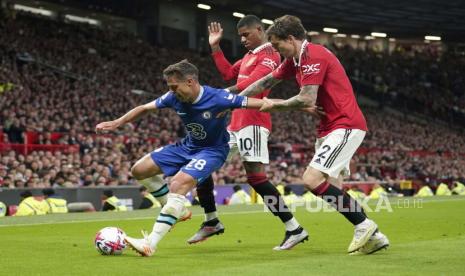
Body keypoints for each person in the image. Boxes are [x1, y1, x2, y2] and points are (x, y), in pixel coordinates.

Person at [238, 15, 389, 254]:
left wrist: (273, 105)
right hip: (329, 128)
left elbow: (306, 98)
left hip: (345, 125)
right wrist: (236, 101)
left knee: (311, 180)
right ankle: (376, 236)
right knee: (333, 187)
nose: (277, 50)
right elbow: (266, 80)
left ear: (291, 38)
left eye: (277, 45)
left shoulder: (312, 56)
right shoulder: (295, 59)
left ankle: (364, 225)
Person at [95, 60, 265, 257]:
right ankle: (179, 211)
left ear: (190, 82)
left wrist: (296, 104)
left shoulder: (218, 98)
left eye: (174, 86)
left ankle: (149, 243)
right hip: (187, 146)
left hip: (212, 150)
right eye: (170, 87)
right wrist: (118, 122)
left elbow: (261, 103)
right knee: (139, 170)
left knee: (178, 183)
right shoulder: (173, 97)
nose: (172, 91)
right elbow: (144, 108)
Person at [188, 15, 308, 250]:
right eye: (240, 36)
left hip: (253, 122)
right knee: (202, 166)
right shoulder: (248, 56)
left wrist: (217, 98)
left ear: (260, 30)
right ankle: (211, 221)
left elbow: (249, 85)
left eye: (247, 34)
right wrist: (215, 46)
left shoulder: (271, 55)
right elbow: (226, 74)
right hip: (235, 124)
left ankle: (294, 228)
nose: (243, 39)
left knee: (256, 178)